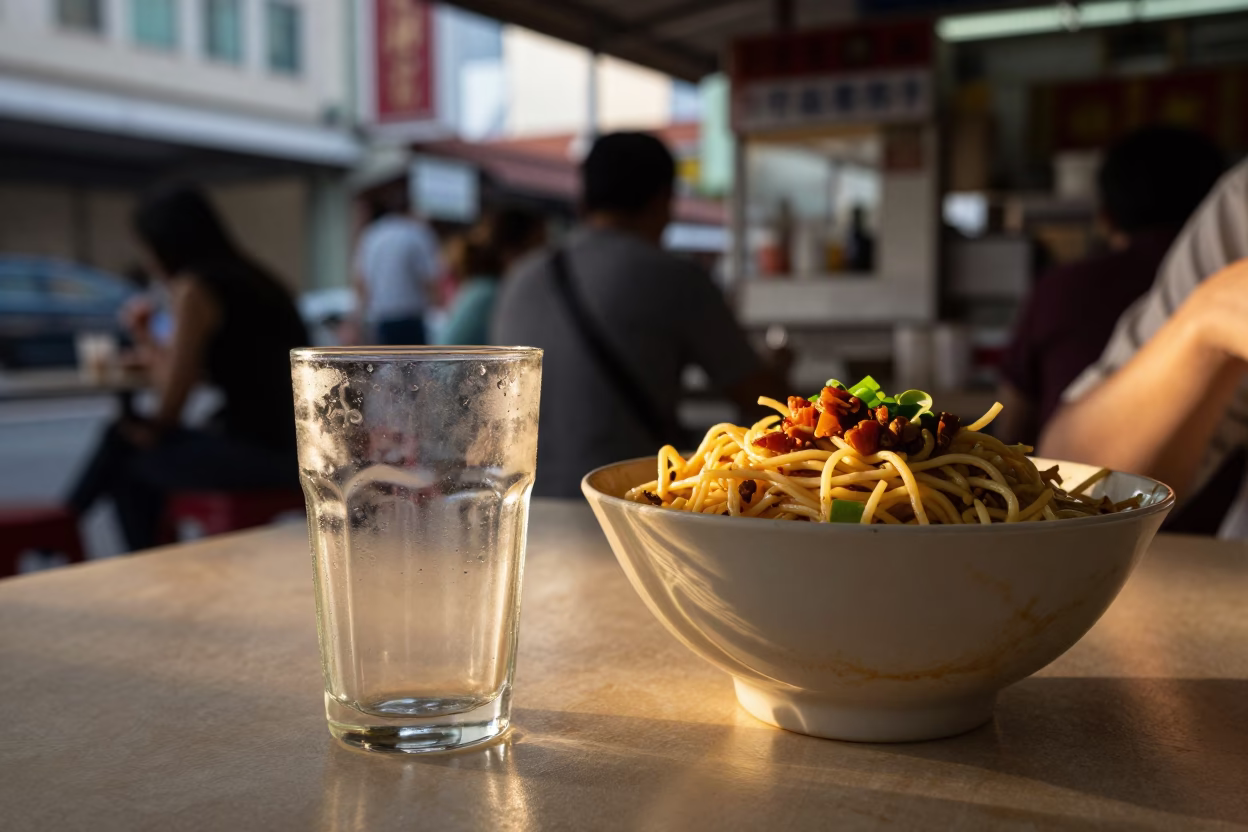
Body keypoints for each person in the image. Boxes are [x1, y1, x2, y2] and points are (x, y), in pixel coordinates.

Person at [491, 132, 786, 498]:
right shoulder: (676, 277)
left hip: (526, 508)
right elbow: (763, 401)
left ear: (583, 199)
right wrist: (779, 366)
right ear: (665, 199)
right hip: (628, 507)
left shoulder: (523, 276)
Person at [67, 184, 309, 550]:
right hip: (300, 448)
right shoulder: (259, 279)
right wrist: (150, 340)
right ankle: (61, 528)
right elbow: (206, 367)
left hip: (264, 455)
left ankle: (67, 528)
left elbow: (171, 403)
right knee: (126, 442)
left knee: (128, 459)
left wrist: (144, 341)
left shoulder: (196, 289)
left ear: (165, 245)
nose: (148, 261)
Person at [1038, 158, 1248, 536]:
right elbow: (1073, 478)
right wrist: (1207, 320)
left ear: (1107, 218)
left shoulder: (1060, 286)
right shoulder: (1240, 208)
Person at [998, 127, 1224, 445]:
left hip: (1069, 487)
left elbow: (1012, 418)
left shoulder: (1063, 288)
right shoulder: (1224, 288)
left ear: (1105, 216)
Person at [353, 181, 440, 345]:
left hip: (381, 320)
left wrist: (357, 320)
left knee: (387, 369)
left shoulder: (372, 235)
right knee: (414, 368)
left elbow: (362, 283)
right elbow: (430, 279)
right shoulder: (417, 233)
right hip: (411, 319)